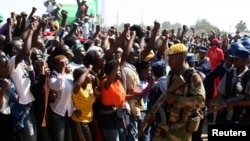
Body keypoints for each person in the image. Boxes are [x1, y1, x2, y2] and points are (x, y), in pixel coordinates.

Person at [152, 43, 206, 141]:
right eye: (168, 57)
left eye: (171, 57)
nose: (168, 60)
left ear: (182, 58)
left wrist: (176, 99)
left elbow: (200, 101)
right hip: (166, 124)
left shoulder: (193, 77)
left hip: (181, 129)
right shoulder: (172, 74)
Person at [210, 43, 250, 124]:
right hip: (224, 116)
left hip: (241, 117)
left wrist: (234, 103)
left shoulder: (248, 76)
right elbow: (221, 92)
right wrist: (214, 102)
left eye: (236, 59)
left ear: (246, 60)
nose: (233, 61)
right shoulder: (230, 73)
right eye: (233, 59)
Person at [47, 55, 74, 141]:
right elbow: (58, 86)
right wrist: (62, 71)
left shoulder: (69, 75)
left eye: (67, 63)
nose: (67, 65)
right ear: (58, 65)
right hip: (57, 113)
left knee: (69, 138)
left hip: (69, 113)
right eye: (64, 64)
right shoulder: (53, 75)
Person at [71, 65, 96, 141]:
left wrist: (90, 72)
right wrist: (88, 69)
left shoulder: (89, 85)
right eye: (87, 74)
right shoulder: (77, 90)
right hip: (80, 121)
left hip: (89, 119)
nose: (90, 76)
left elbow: (96, 77)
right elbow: (78, 84)